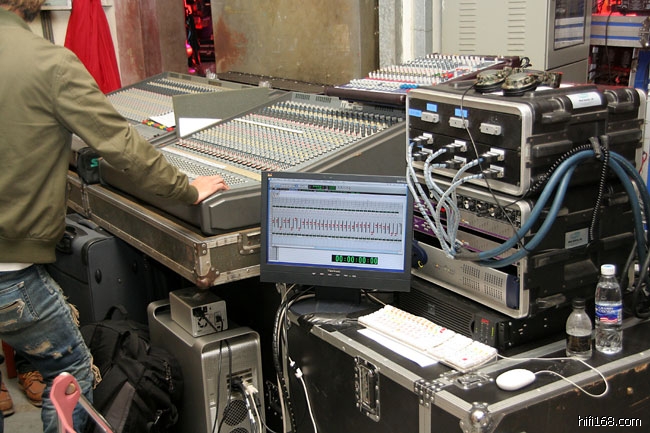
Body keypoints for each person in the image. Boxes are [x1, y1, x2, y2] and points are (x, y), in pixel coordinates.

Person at [0, 1, 230, 432]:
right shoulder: (48, 63)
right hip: (9, 273)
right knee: (71, 373)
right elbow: (122, 145)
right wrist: (184, 187)